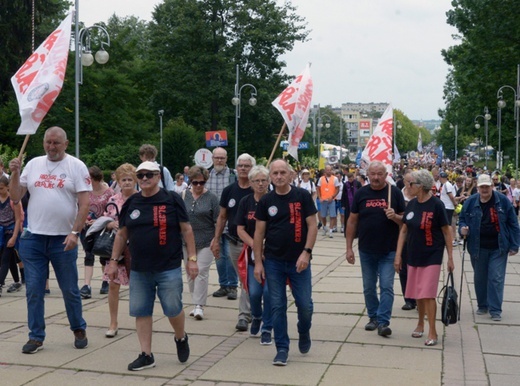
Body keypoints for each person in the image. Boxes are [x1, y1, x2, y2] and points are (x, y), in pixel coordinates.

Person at [107, 161, 198, 371]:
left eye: (149, 175)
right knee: (141, 310)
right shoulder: (132, 202)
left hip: (168, 266)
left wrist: (191, 260)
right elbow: (122, 233)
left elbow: (186, 230)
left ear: (158, 176)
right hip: (139, 267)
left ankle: (180, 337)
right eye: (141, 175)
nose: (145, 179)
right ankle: (146, 354)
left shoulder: (172, 199)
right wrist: (113, 261)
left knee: (173, 309)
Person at [9, 126, 91, 354]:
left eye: (56, 143)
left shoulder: (76, 166)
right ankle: (36, 337)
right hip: (33, 238)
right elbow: (16, 196)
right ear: (43, 143)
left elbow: (85, 203)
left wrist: (75, 233)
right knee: (34, 290)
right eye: (48, 142)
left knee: (69, 289)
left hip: (62, 240)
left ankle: (78, 328)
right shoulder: (33, 164)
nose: (51, 147)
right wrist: (15, 173)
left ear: (65, 144)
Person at [253, 159, 317, 366]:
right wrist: (258, 263)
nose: (279, 176)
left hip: (299, 261)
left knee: (304, 305)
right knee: (277, 305)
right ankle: (282, 347)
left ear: (290, 175)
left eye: (283, 172)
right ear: (270, 176)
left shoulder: (302, 196)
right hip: (274, 262)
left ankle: (303, 330)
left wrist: (306, 252)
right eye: (275, 173)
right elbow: (259, 233)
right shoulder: (266, 201)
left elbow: (312, 226)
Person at [394, 169, 455, 346]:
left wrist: (450, 257)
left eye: (410, 184)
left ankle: (433, 331)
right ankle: (420, 324)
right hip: (413, 254)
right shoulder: (412, 204)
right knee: (418, 294)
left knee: (428, 294)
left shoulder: (436, 205)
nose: (408, 186)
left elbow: (446, 230)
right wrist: (398, 255)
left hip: (432, 255)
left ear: (420, 186)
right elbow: (404, 230)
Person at [345, 161, 405, 337]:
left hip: (389, 249)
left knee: (386, 286)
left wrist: (395, 216)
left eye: (380, 174)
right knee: (369, 286)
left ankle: (383, 321)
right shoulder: (361, 194)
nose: (376, 177)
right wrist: (349, 248)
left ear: (386, 175)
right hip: (366, 249)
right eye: (373, 174)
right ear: (367, 174)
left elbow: (405, 221)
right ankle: (373, 317)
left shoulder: (394, 193)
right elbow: (352, 220)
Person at [459, 173, 520, 322]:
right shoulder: (471, 202)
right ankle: (482, 305)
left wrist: (515, 244)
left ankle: (495, 309)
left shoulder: (503, 201)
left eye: (487, 186)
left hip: (499, 247)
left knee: (496, 277)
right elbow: (462, 219)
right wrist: (462, 229)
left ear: (492, 186)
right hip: (477, 247)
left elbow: (513, 224)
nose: (485, 189)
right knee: (480, 278)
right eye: (482, 187)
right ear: (478, 188)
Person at [210, 153, 255, 331]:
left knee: (252, 278)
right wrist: (215, 239)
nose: (243, 168)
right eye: (241, 165)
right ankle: (249, 312)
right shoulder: (229, 191)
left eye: (247, 165)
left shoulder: (258, 190)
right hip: (234, 243)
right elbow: (222, 217)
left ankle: (245, 314)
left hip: (256, 243)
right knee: (245, 278)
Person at [236, 165, 273, 345]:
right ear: (250, 183)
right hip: (252, 255)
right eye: (256, 181)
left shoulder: (274, 200)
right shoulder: (246, 202)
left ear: (268, 181)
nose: (260, 184)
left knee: (269, 293)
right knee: (254, 292)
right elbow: (240, 229)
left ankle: (267, 326)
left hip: (273, 254)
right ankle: (256, 316)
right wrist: (255, 244)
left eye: (263, 180)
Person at [102, 163, 138, 338]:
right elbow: (105, 221)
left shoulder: (141, 198)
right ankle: (113, 322)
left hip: (138, 247)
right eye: (123, 179)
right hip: (117, 248)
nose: (127, 183)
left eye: (130, 179)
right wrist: (110, 224)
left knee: (140, 286)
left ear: (136, 180)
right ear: (118, 180)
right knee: (113, 284)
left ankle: (142, 319)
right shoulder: (113, 200)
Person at [182, 166, 219, 320]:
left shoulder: (212, 198)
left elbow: (218, 220)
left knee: (201, 271)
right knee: (191, 273)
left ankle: (199, 305)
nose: (198, 185)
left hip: (206, 240)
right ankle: (195, 301)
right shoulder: (183, 195)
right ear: (190, 181)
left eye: (201, 183)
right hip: (186, 242)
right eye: (195, 182)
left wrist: (216, 239)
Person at [206, 147, 238, 299]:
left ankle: (233, 286)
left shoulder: (234, 175)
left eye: (222, 158)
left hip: (231, 223)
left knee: (231, 257)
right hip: (213, 225)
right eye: (216, 157)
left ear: (226, 159)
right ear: (212, 158)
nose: (219, 160)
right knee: (218, 257)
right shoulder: (206, 176)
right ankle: (223, 285)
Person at [80, 166, 114, 298]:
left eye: (89, 178)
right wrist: (83, 220)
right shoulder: (85, 191)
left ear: (95, 178)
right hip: (87, 228)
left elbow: (111, 212)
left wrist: (99, 221)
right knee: (88, 255)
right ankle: (86, 285)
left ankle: (105, 281)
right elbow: (81, 207)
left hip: (102, 229)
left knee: (104, 256)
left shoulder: (109, 193)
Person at [0, 176, 23, 296]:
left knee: (5, 257)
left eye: (1, 188)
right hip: (0, 232)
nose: (0, 190)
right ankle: (17, 281)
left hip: (11, 231)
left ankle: (0, 283)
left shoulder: (13, 201)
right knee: (10, 259)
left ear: (8, 187)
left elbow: (18, 220)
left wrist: (14, 237)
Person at [398, 170, 417, 311]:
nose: (411, 185)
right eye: (408, 182)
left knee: (417, 270)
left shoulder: (420, 196)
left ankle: (419, 298)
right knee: (403, 270)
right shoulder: (398, 195)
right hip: (402, 237)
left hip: (418, 238)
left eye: (413, 183)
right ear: (404, 182)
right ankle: (408, 299)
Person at [317, 165, 340, 238]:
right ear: (325, 170)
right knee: (323, 216)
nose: (329, 171)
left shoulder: (335, 179)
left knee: (332, 215)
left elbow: (337, 189)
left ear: (331, 170)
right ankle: (324, 227)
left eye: (330, 170)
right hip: (323, 200)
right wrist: (319, 197)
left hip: (331, 200)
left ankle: (330, 230)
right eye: (327, 170)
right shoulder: (321, 179)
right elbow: (318, 188)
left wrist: (333, 196)